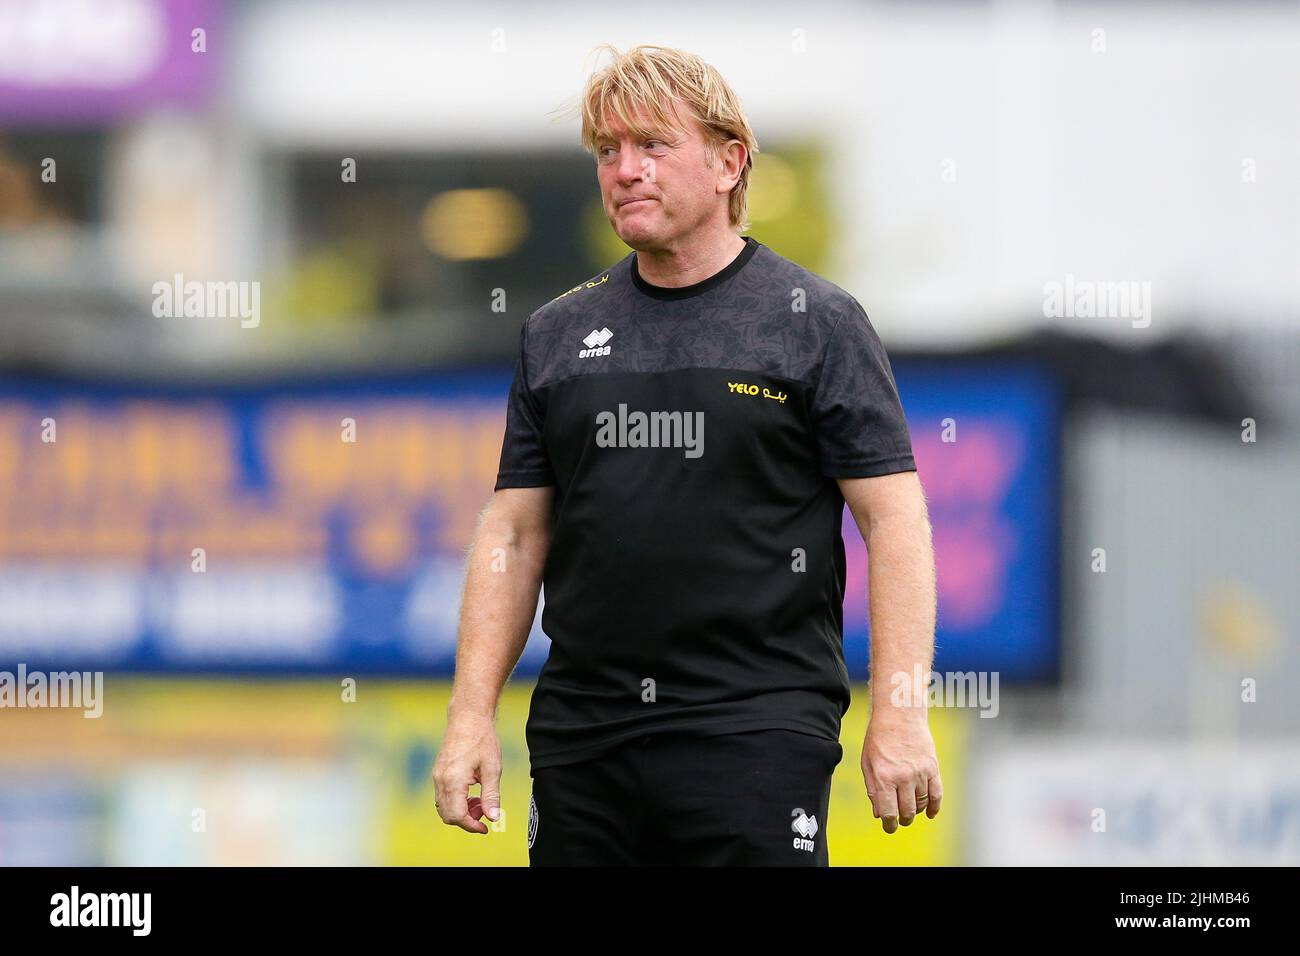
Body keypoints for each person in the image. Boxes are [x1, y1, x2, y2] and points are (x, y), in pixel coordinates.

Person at [433, 43, 940, 866]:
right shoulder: (556, 334)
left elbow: (895, 523)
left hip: (756, 729)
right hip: (582, 738)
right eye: (607, 151)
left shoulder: (815, 321)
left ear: (729, 162)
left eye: (653, 146)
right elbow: (515, 535)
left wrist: (902, 711)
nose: (625, 170)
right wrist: (468, 719)